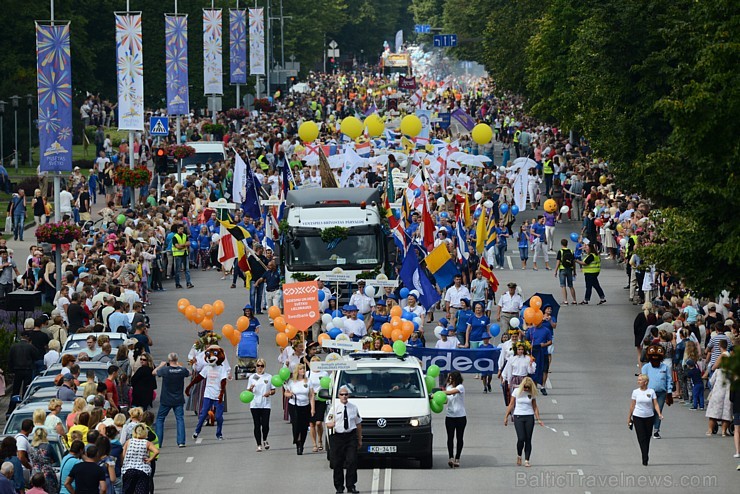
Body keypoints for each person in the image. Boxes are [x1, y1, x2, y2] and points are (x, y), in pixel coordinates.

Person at [326, 386, 362, 494]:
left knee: (352, 461)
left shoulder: (353, 408)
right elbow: (328, 423)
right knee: (337, 463)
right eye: (342, 394)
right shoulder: (334, 408)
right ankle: (339, 487)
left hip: (350, 436)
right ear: (338, 396)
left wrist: (359, 439)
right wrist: (332, 424)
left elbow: (358, 424)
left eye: (346, 394)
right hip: (338, 437)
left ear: (349, 396)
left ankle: (351, 485)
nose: (344, 396)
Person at [503, 377, 544, 467]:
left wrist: (538, 419)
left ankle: (527, 460)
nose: (526, 389)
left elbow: (535, 407)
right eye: (525, 387)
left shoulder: (531, 393)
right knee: (521, 438)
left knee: (528, 439)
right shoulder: (517, 391)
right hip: (518, 416)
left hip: (529, 416)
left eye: (528, 388)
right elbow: (511, 404)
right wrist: (506, 416)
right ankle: (519, 455)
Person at [153, 353, 190, 448]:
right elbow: (189, 372)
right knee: (180, 419)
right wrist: (179, 365)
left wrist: (161, 365)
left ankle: (159, 442)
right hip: (178, 399)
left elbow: (154, 372)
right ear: (176, 360)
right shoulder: (181, 370)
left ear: (169, 360)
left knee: (160, 419)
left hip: (166, 399)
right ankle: (181, 441)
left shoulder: (165, 370)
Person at [627, 374, 663, 466]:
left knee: (647, 437)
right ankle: (645, 456)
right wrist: (629, 417)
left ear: (645, 382)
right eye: (638, 380)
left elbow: (655, 404)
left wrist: (659, 414)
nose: (638, 382)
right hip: (637, 416)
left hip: (649, 417)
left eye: (640, 380)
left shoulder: (651, 392)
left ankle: (645, 452)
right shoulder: (635, 392)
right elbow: (632, 405)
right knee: (641, 437)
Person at [6, 332, 39, 414]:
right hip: (28, 370)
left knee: (15, 390)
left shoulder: (14, 347)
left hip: (17, 370)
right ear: (28, 338)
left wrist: (11, 370)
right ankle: (25, 406)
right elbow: (36, 356)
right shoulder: (30, 346)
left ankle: (11, 409)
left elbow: (10, 359)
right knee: (26, 389)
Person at [247, 358, 275, 452]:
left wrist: (269, 393)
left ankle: (265, 439)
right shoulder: (252, 377)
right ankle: (258, 444)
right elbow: (248, 391)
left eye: (262, 366)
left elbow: (273, 390)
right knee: (257, 424)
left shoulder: (269, 377)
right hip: (255, 404)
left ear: (264, 367)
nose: (260, 368)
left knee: (265, 424)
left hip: (266, 404)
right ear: (255, 366)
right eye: (258, 366)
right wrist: (250, 388)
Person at [121, 423, 158, 494]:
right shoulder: (147, 443)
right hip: (142, 470)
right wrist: (150, 459)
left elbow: (123, 455)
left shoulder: (129, 442)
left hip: (129, 469)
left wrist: (123, 464)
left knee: (127, 490)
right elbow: (156, 451)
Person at [284, 364, 311, 455]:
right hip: (294, 405)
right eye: (300, 369)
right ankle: (297, 442)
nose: (303, 370)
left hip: (305, 405)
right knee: (296, 425)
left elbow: (311, 395)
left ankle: (302, 443)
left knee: (304, 427)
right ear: (297, 371)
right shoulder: (292, 382)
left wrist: (313, 408)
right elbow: (286, 394)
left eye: (303, 369)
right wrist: (290, 394)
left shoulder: (308, 381)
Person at [443, 371, 466, 468]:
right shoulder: (448, 388)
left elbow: (452, 392)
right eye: (449, 378)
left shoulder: (460, 387)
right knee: (450, 437)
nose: (450, 380)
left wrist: (440, 392)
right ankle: (450, 457)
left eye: (452, 378)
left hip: (460, 416)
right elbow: (445, 400)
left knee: (459, 438)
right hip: (450, 416)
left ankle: (458, 458)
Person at [29, 428, 58, 493]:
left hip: (35, 474)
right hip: (47, 474)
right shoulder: (48, 446)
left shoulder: (31, 448)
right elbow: (56, 460)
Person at [553, 239, 577, 305]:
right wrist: (574, 271)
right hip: (570, 269)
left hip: (562, 269)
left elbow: (558, 262)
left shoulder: (560, 251)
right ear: (567, 244)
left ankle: (565, 300)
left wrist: (555, 271)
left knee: (563, 286)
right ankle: (574, 300)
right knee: (571, 285)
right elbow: (573, 262)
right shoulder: (571, 251)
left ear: (561, 244)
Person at [172, 224, 194, 289]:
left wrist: (182, 245)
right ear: (178, 229)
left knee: (187, 269)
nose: (182, 230)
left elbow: (188, 243)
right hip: (178, 255)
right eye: (181, 229)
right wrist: (185, 245)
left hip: (185, 254)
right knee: (177, 270)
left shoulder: (185, 235)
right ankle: (177, 283)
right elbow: (177, 246)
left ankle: (188, 283)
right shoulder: (175, 237)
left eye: (182, 229)